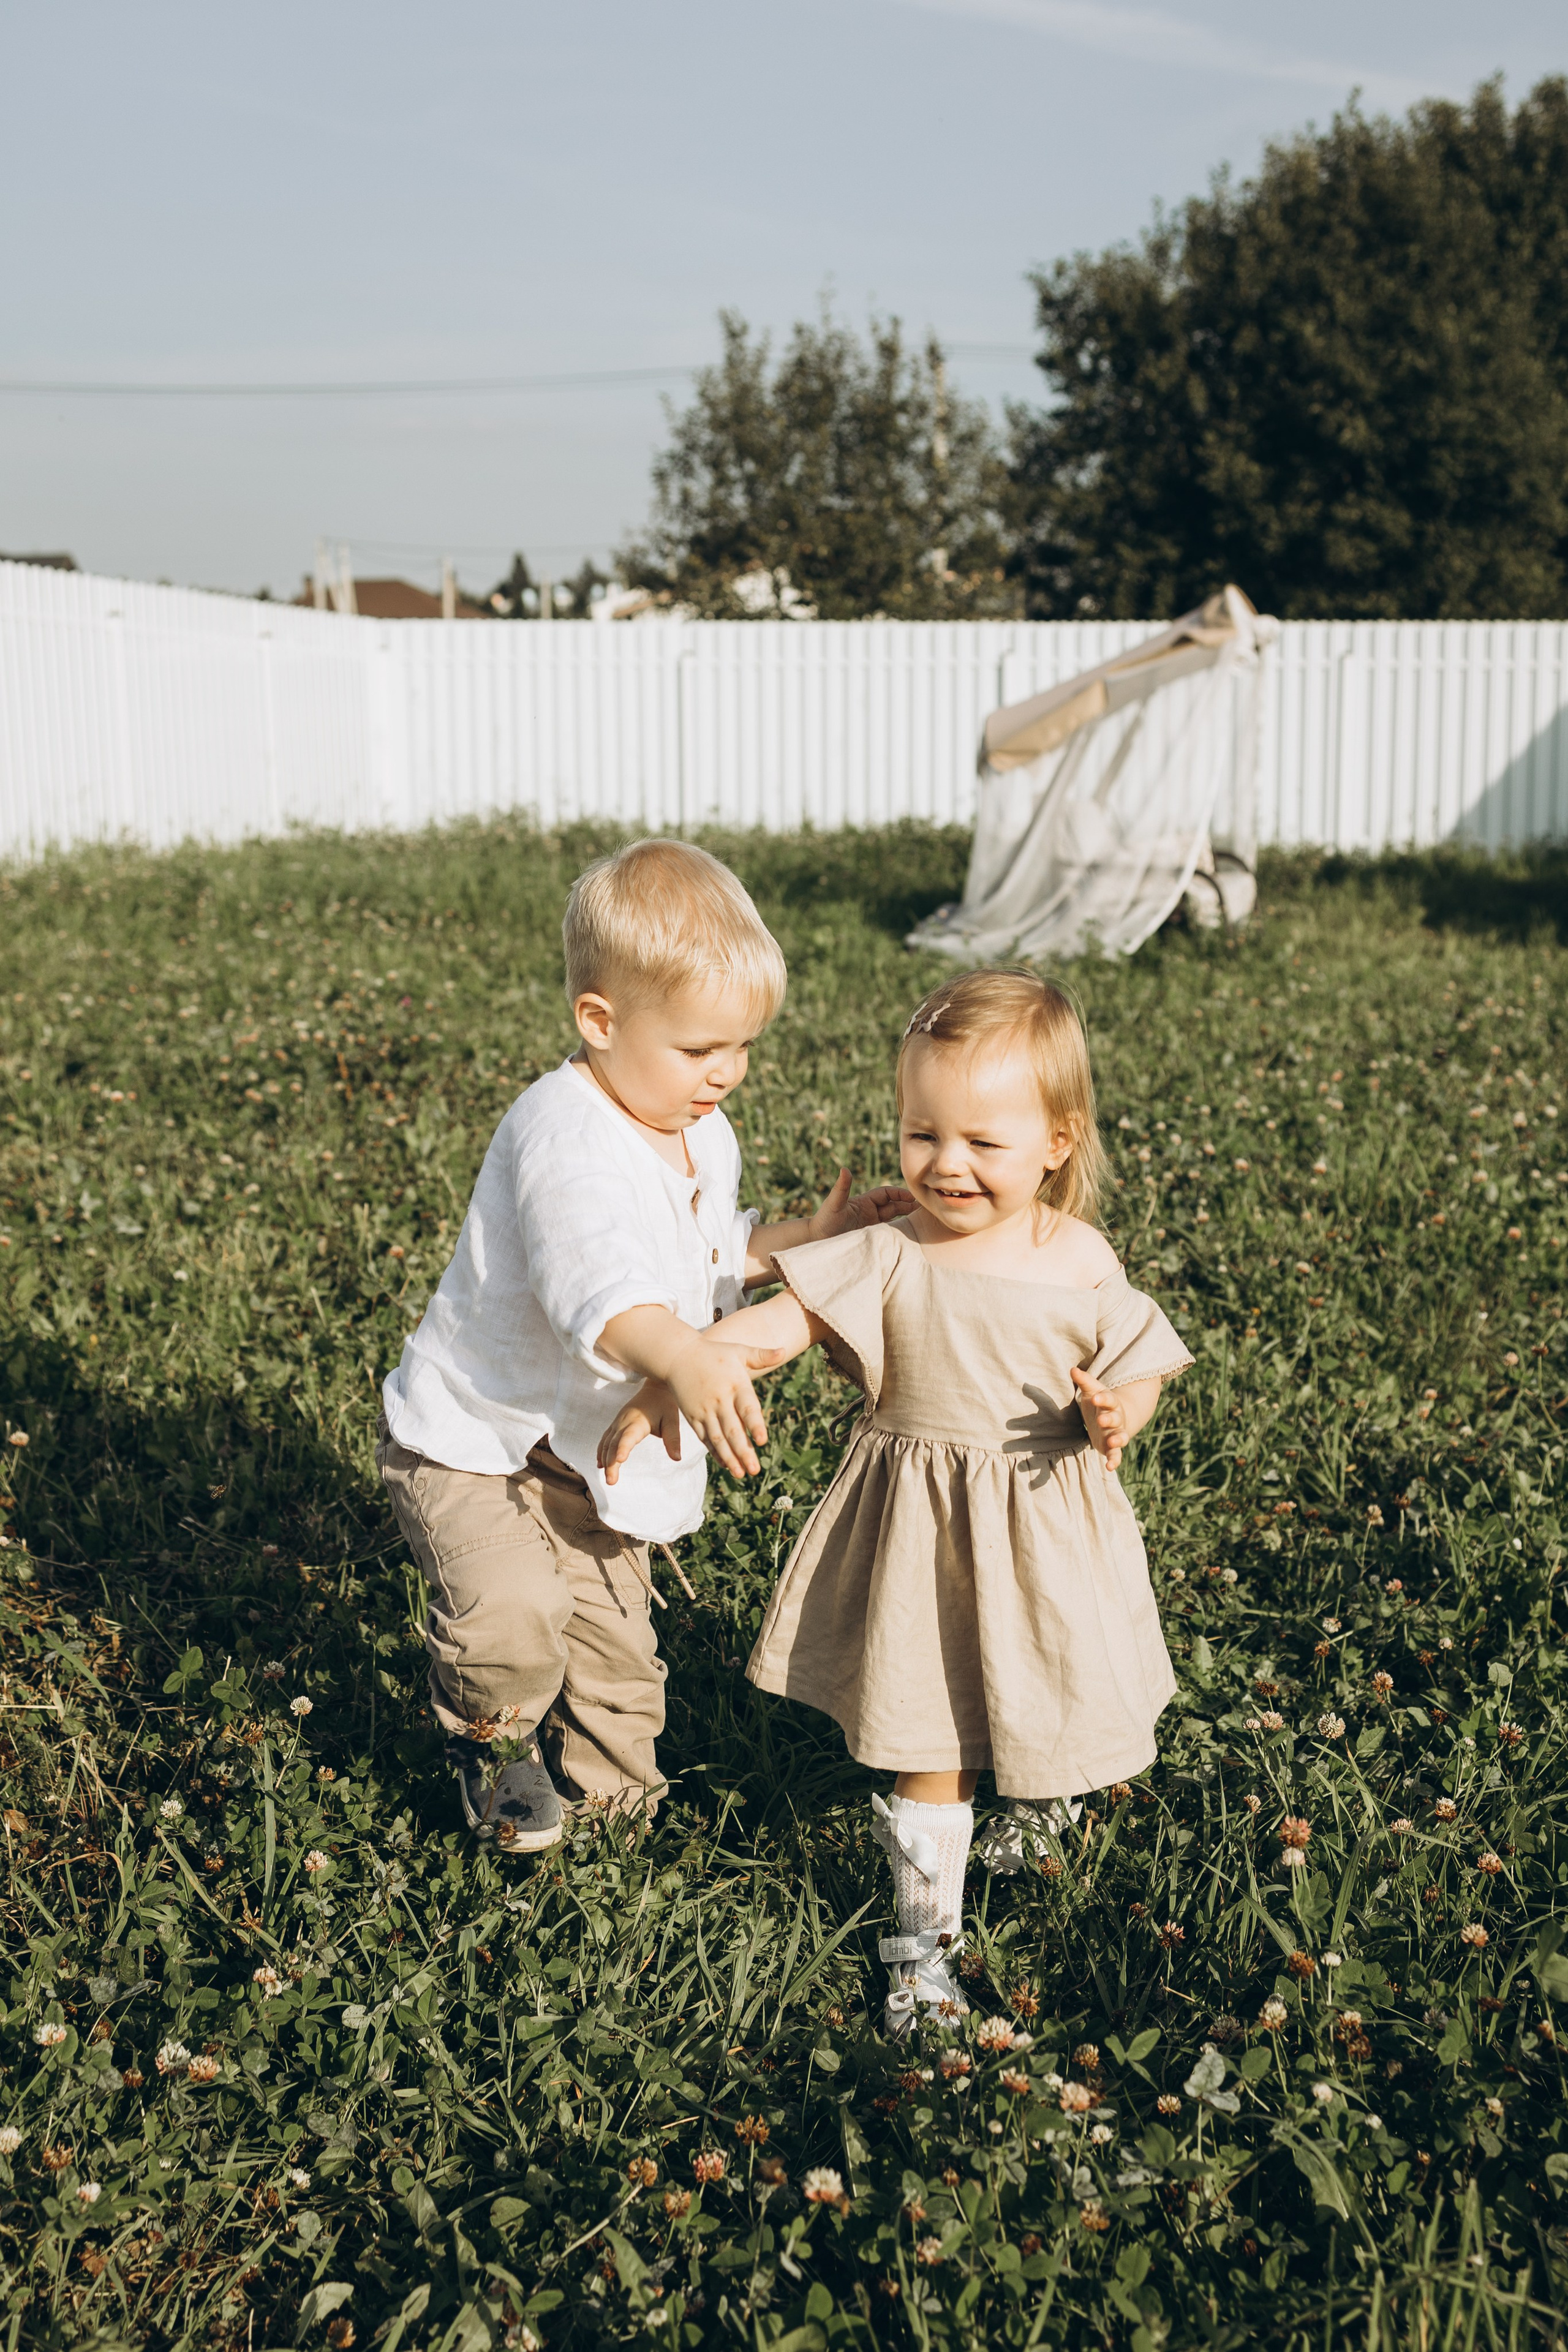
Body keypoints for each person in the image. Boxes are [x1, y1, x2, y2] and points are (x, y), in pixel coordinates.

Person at [599, 968, 1191, 2031]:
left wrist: (1120, 1415)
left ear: (1058, 1141)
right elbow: (779, 1328)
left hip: (1045, 1526)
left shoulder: (1079, 1258)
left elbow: (1136, 1357)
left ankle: (1038, 1799)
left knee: (1043, 1672)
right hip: (921, 1543)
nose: (945, 1166)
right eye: (922, 1135)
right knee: (934, 1736)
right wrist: (675, 1373)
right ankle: (922, 1953)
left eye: (981, 1143)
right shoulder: (888, 1251)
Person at [378, 838, 908, 1855]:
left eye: (744, 1047)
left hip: (591, 1457)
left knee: (620, 1661)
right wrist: (688, 1358)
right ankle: (492, 1746)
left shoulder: (695, 1125)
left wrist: (802, 1242)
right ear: (599, 1021)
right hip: (478, 1447)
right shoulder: (563, 1136)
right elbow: (608, 1297)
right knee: (515, 1618)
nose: (729, 1072)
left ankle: (618, 1826)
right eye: (702, 1049)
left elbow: (698, 1255)